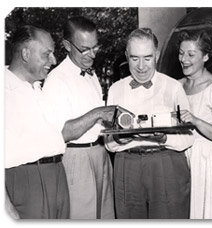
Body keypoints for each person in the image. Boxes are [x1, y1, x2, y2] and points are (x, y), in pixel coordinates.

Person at [5, 25, 128, 219]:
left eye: (95, 48)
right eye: (47, 54)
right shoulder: (46, 82)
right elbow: (64, 131)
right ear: (26, 54)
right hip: (35, 173)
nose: (53, 61)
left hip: (58, 170)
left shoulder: (36, 87)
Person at [104, 28, 194, 219]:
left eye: (147, 58)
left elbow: (188, 138)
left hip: (166, 163)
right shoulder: (115, 90)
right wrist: (122, 138)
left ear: (157, 55)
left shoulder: (173, 87)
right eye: (135, 58)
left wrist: (164, 137)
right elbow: (109, 143)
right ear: (127, 56)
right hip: (127, 166)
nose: (141, 66)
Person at [43, 16, 114, 219]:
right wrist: (97, 113)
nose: (91, 55)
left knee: (105, 216)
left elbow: (97, 124)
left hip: (100, 154)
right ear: (67, 45)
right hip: (76, 159)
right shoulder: (57, 80)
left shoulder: (91, 75)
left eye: (95, 48)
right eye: (84, 49)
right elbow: (62, 133)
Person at [177, 30, 212, 219]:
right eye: (181, 53)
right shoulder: (176, 86)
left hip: (209, 161)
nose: (184, 59)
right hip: (182, 159)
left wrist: (196, 121)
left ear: (206, 56)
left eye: (191, 54)